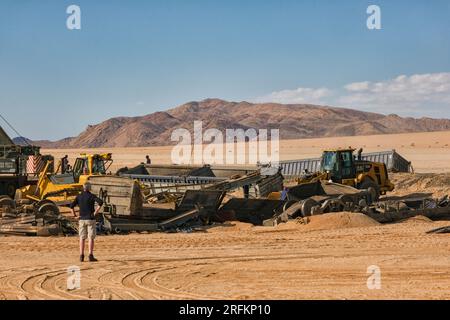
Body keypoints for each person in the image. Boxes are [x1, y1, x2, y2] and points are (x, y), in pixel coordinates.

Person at [70, 182, 104, 262]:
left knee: (82, 238)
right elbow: (100, 202)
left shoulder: (79, 196)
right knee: (91, 237)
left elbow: (71, 206)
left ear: (83, 188)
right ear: (89, 188)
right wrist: (95, 212)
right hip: (90, 219)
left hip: (81, 219)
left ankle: (81, 255)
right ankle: (90, 255)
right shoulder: (92, 196)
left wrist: (75, 216)